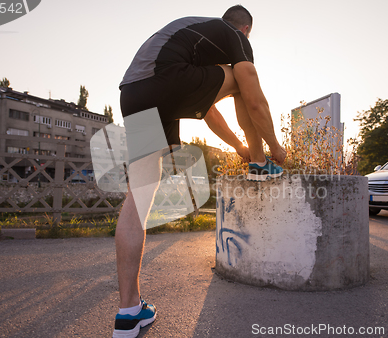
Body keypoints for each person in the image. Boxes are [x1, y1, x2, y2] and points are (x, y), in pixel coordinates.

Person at [113, 5, 287, 338]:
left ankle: (129, 313)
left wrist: (237, 146)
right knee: (242, 78)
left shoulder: (199, 40)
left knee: (138, 196)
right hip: (166, 79)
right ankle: (260, 164)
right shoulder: (234, 36)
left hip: (133, 93)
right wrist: (275, 149)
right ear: (246, 29)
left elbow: (206, 110)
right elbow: (252, 97)